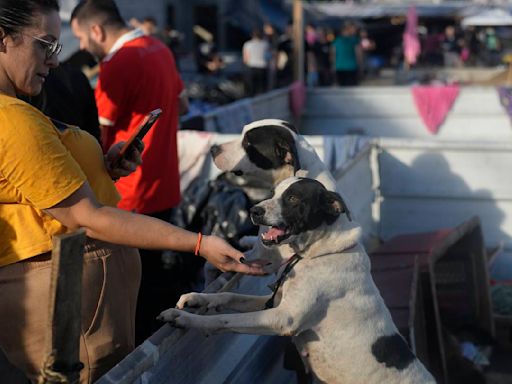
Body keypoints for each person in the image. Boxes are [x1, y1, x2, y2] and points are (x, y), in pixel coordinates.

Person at [0, 2, 264, 384]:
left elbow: (39, 185)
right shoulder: (12, 118)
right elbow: (84, 215)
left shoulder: (19, 109)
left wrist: (100, 166)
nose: (54, 61)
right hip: (66, 309)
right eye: (46, 45)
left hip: (77, 305)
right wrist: (199, 243)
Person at [70, 0, 190, 345]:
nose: (81, 47)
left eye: (80, 37)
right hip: (166, 185)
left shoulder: (117, 63)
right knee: (157, 289)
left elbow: (96, 136)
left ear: (97, 30)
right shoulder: (160, 49)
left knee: (128, 298)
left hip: (129, 196)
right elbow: (181, 104)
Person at [242, 28, 269, 96]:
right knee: (261, 91)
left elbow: (245, 59)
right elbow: (268, 57)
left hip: (251, 68)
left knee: (251, 91)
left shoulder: (247, 44)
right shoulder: (265, 44)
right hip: (262, 68)